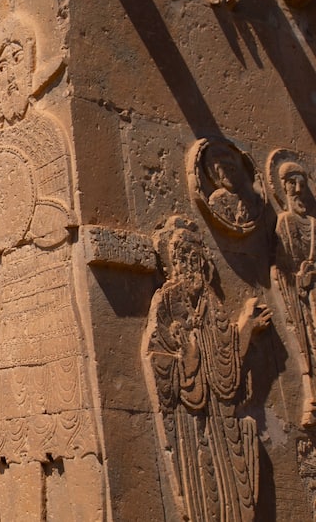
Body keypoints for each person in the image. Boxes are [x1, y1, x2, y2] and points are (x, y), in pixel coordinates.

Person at [144, 219, 270, 521]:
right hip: (192, 418)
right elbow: (157, 356)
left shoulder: (211, 303)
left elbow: (226, 350)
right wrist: (186, 357)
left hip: (221, 411)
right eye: (184, 257)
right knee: (203, 490)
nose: (191, 264)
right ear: (174, 263)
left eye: (196, 256)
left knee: (236, 489)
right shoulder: (167, 299)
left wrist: (248, 326)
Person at [272, 160, 316, 427]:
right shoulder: (285, 222)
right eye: (292, 183)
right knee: (307, 343)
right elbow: (281, 266)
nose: (298, 189)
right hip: (299, 296)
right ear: (284, 188)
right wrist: (299, 278)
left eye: (302, 183)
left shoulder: (313, 223)